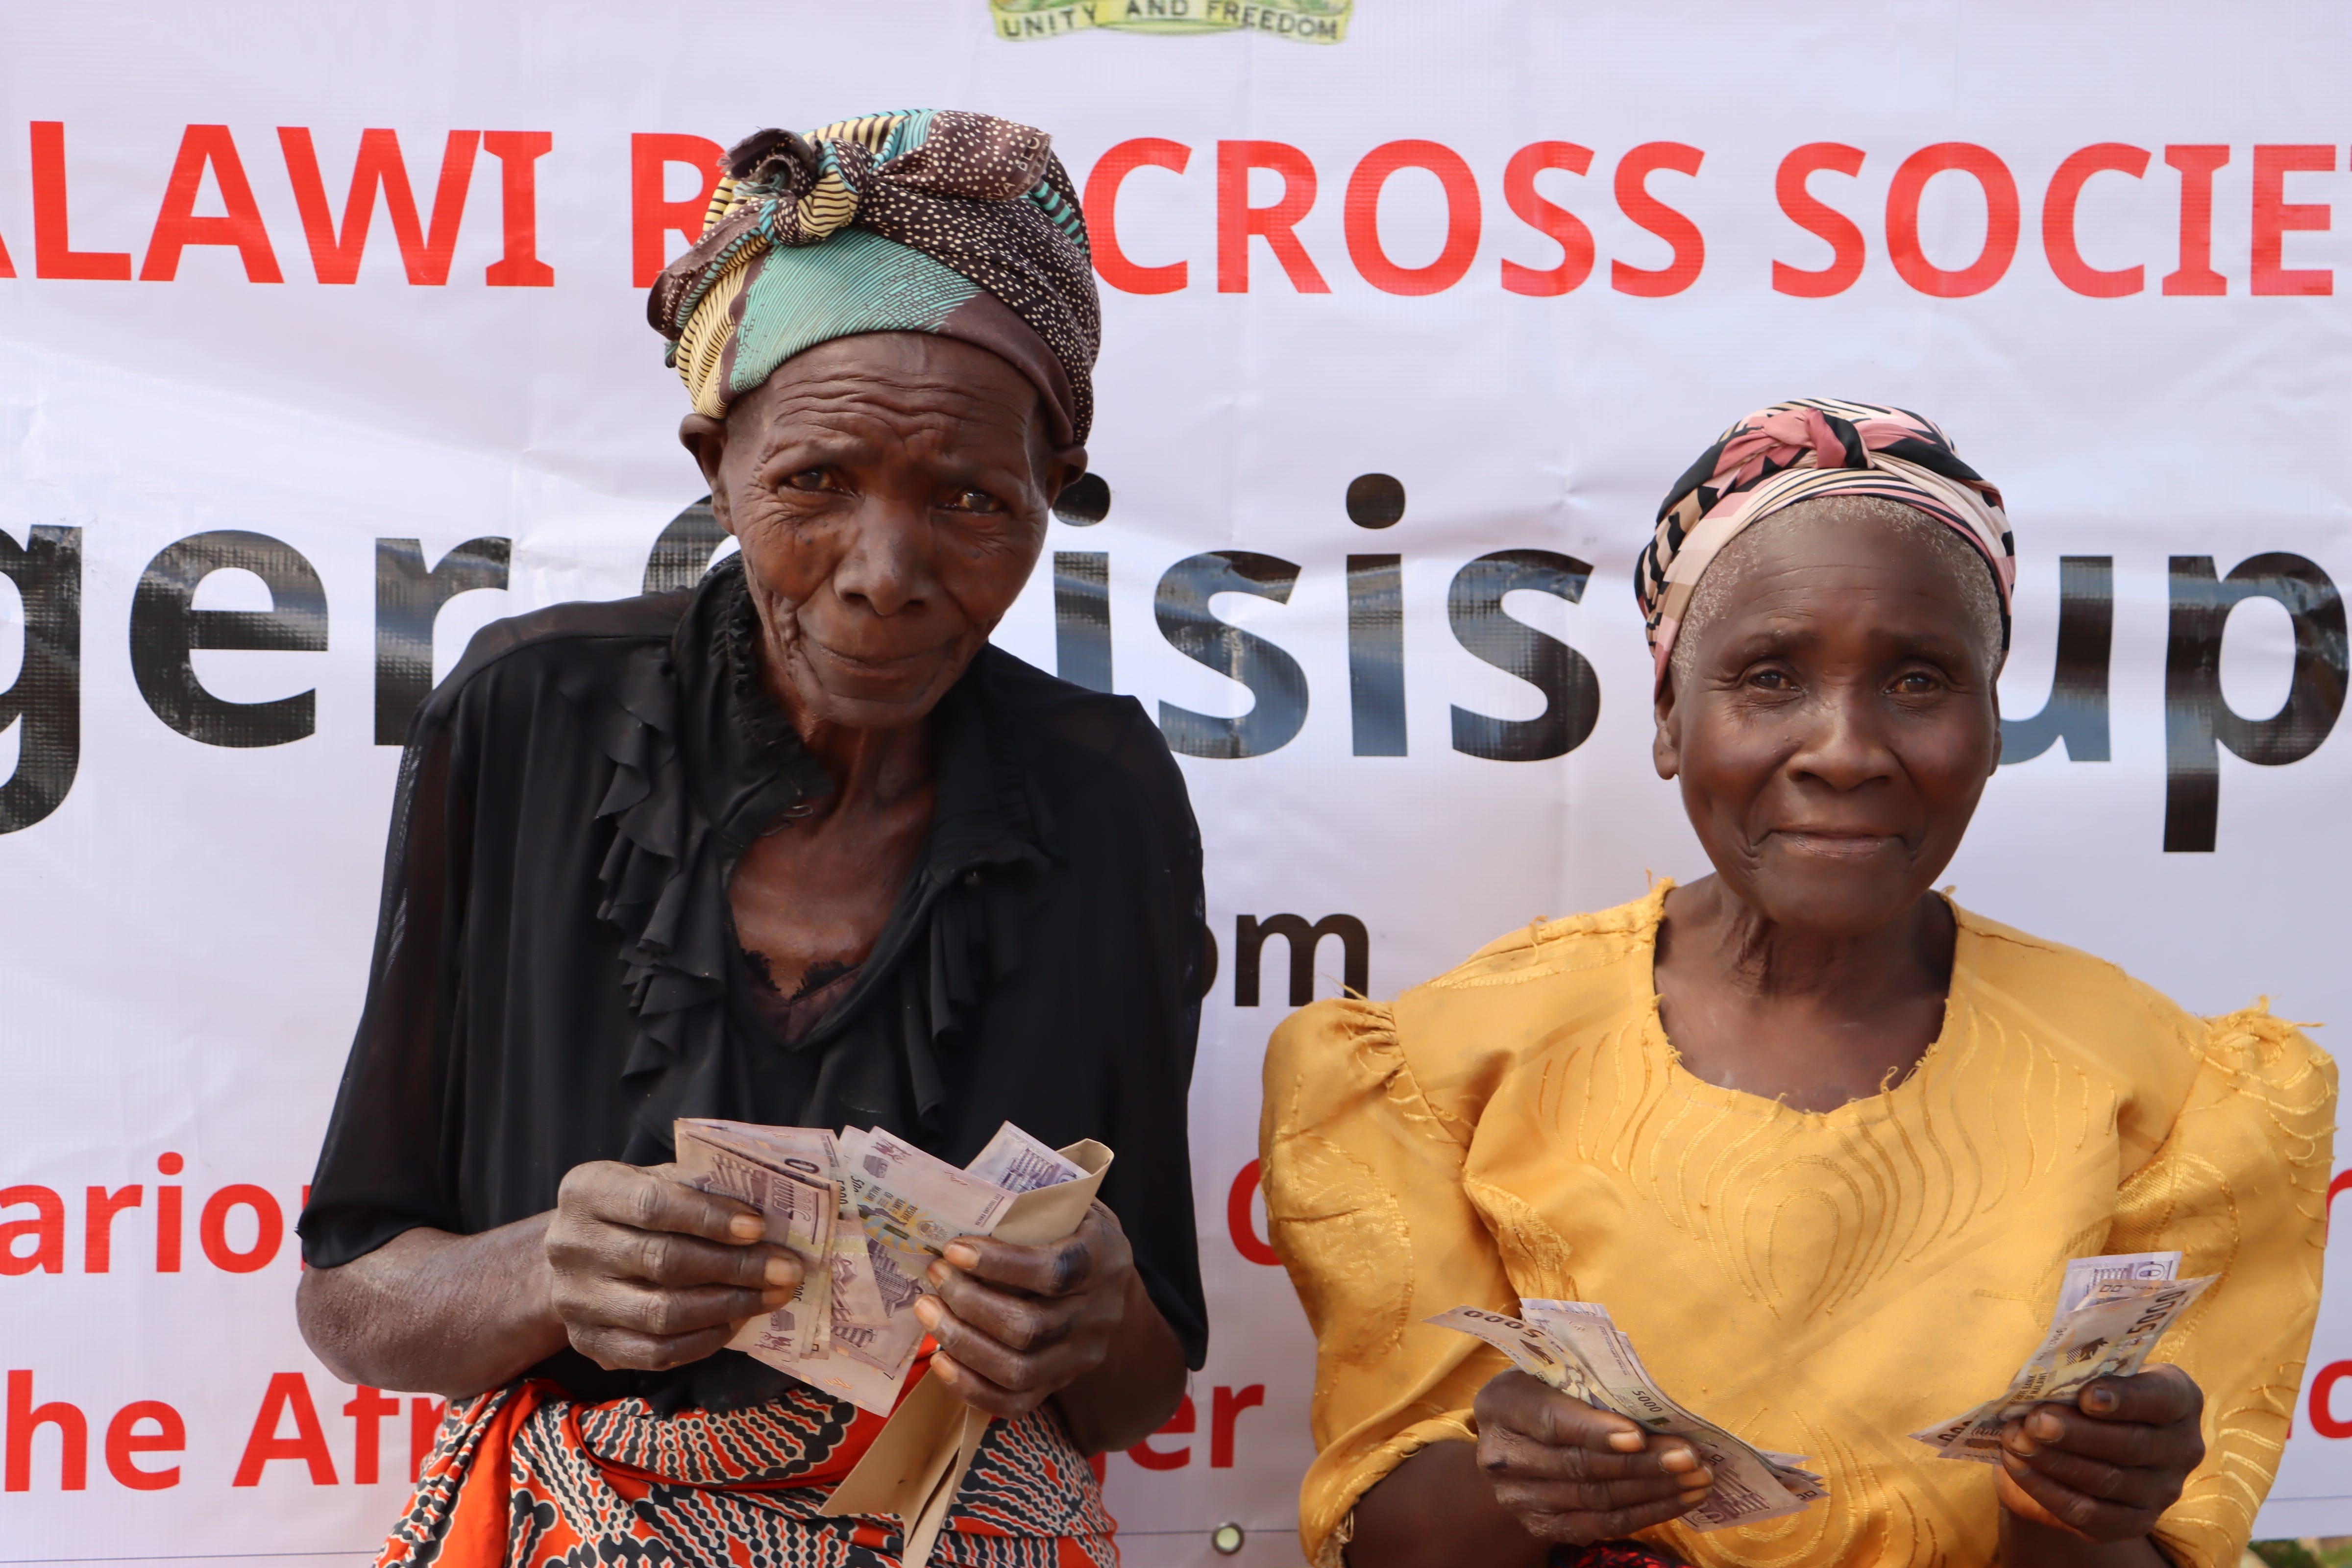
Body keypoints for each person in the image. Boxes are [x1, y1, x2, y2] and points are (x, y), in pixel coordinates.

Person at [295, 110, 1206, 1568]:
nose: (884, 575)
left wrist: (1084, 1310)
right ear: (718, 464)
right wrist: (545, 1273)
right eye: (815, 482)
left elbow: (1135, 1389)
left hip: (960, 1525)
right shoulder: (526, 720)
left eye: (972, 500)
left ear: (1053, 493)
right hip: (582, 1522)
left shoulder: (1104, 795)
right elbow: (351, 1301)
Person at [1261, 398, 2333, 1568]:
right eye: (1771, 677)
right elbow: (1390, 1546)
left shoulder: (2174, 1097)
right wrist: (1509, 1478)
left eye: (1918, 681)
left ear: (1992, 725)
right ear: (1669, 716)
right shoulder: (1445, 1071)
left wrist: (2088, 1503)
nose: (1845, 750)